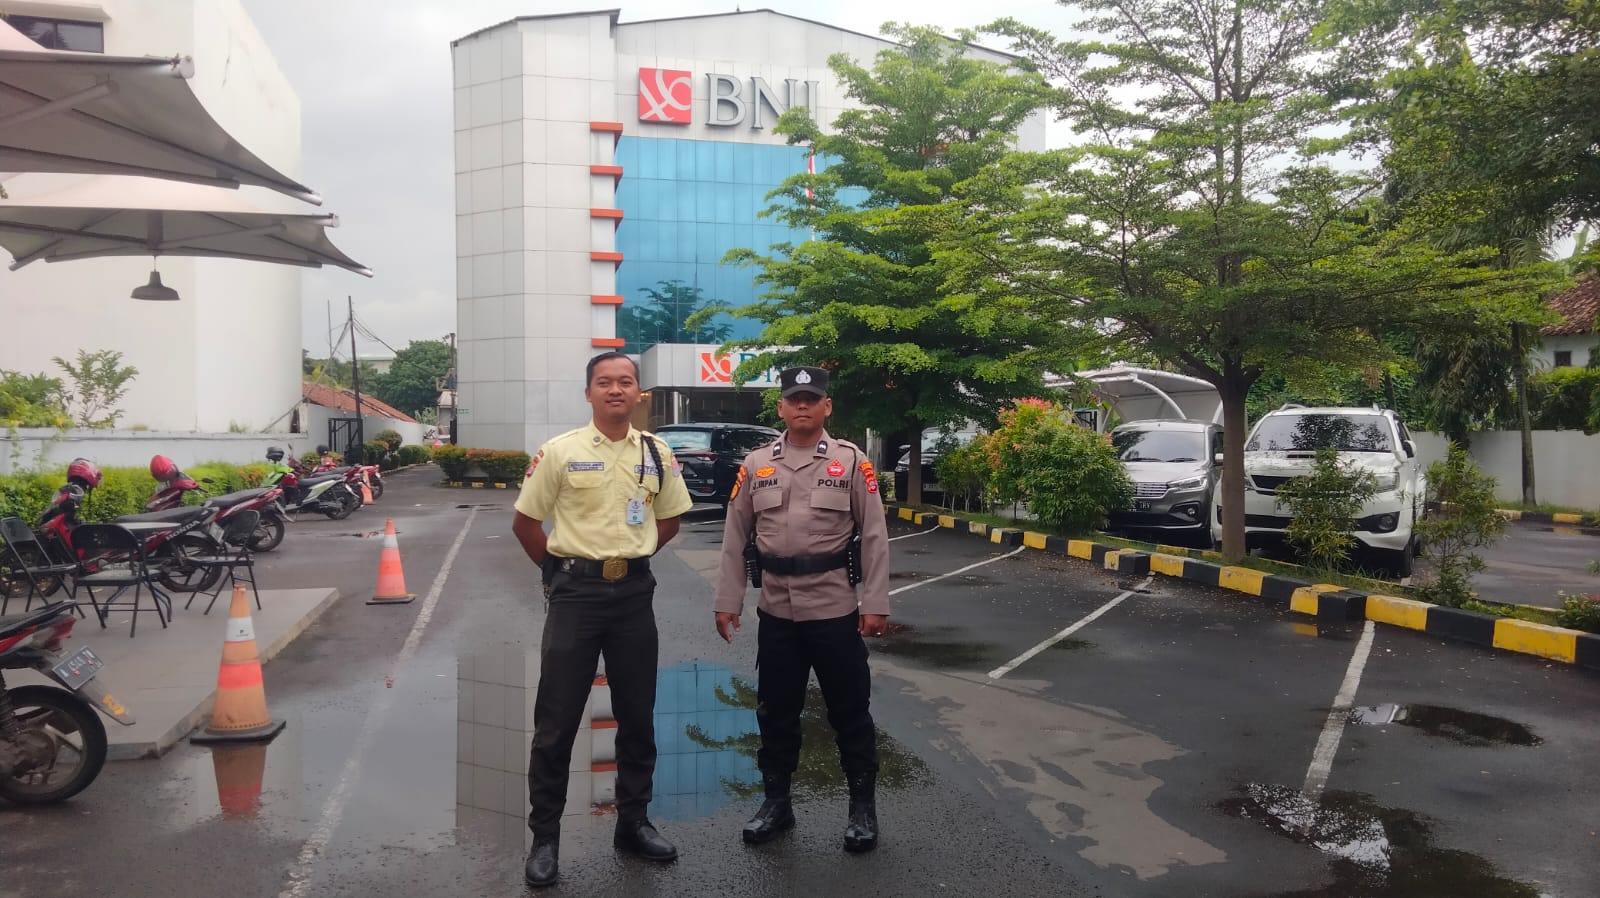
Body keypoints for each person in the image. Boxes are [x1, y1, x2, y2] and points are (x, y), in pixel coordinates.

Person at [510, 351, 693, 888]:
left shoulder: (657, 452)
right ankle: (545, 839)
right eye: (605, 382)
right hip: (576, 597)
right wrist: (560, 574)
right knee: (557, 721)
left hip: (634, 594)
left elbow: (670, 519)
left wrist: (633, 557)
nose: (616, 390)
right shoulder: (560, 452)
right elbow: (525, 523)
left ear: (639, 392)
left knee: (637, 715)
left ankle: (633, 823)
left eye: (626, 381)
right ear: (588, 392)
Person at [713, 365, 891, 853]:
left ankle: (862, 808)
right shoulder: (756, 464)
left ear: (827, 406)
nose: (803, 406)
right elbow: (735, 536)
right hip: (776, 613)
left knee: (850, 711)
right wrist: (727, 601)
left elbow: (874, 535)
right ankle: (777, 803)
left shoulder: (850, 461)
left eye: (812, 399)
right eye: (795, 399)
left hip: (834, 610)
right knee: (775, 712)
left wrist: (875, 602)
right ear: (782, 408)